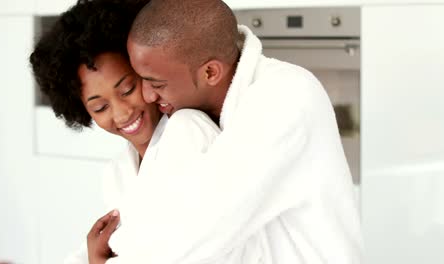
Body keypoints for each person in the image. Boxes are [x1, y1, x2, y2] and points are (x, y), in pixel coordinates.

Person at [93, 0, 364, 263]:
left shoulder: (284, 96)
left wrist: (111, 254)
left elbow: (195, 233)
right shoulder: (189, 118)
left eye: (157, 84)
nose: (148, 95)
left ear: (210, 72)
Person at [29, 1, 221, 264]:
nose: (121, 114)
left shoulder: (188, 131)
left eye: (128, 89)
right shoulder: (117, 172)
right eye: (100, 106)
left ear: (147, 71)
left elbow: (197, 250)